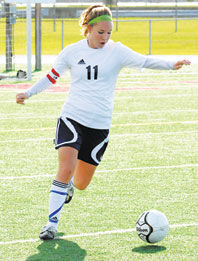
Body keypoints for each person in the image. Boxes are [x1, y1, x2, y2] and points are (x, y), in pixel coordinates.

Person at [16, 4, 191, 240]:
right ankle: (51, 224)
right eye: (100, 32)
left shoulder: (116, 52)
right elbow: (51, 77)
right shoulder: (71, 51)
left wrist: (172, 65)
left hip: (99, 127)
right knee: (66, 168)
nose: (105, 37)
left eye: (109, 32)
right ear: (87, 28)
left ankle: (66, 187)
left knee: (80, 183)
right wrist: (28, 93)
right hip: (72, 117)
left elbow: (144, 61)